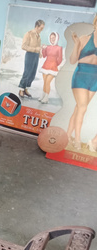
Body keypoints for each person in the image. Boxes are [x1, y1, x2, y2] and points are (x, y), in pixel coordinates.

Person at [67, 16, 97, 150]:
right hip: (81, 76)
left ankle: (68, 135)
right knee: (82, 108)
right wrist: (76, 44)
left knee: (79, 108)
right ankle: (77, 140)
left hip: (95, 78)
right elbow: (73, 60)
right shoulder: (85, 39)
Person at [18, 19, 45, 98]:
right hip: (29, 55)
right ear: (37, 26)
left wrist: (40, 53)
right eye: (41, 28)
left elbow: (38, 47)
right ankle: (21, 89)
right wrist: (35, 49)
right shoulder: (29, 34)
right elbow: (23, 46)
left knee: (32, 74)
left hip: (36, 56)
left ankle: (26, 89)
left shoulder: (39, 36)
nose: (42, 30)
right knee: (27, 73)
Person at [39, 32, 63, 104]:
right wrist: (43, 49)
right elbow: (44, 55)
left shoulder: (59, 48)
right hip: (45, 66)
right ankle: (43, 95)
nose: (52, 39)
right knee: (45, 82)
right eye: (51, 38)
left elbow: (60, 59)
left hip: (53, 67)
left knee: (47, 82)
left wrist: (55, 64)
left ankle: (46, 97)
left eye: (53, 38)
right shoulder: (48, 47)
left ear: (57, 38)